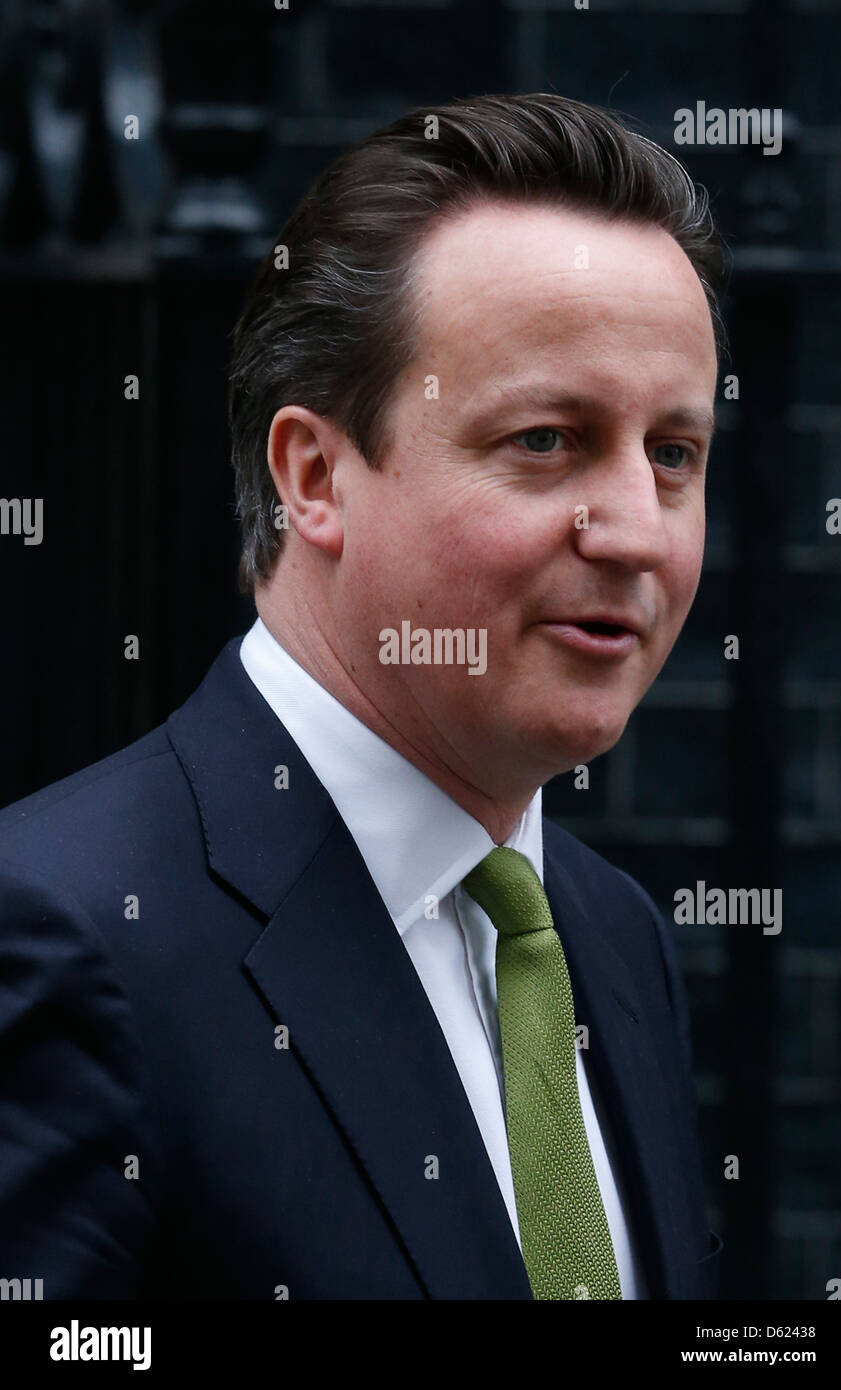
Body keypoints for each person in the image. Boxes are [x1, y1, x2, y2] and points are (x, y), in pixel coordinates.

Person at [0, 92, 724, 1300]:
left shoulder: (612, 935)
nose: (638, 534)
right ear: (314, 477)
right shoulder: (65, 932)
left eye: (673, 454)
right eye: (545, 439)